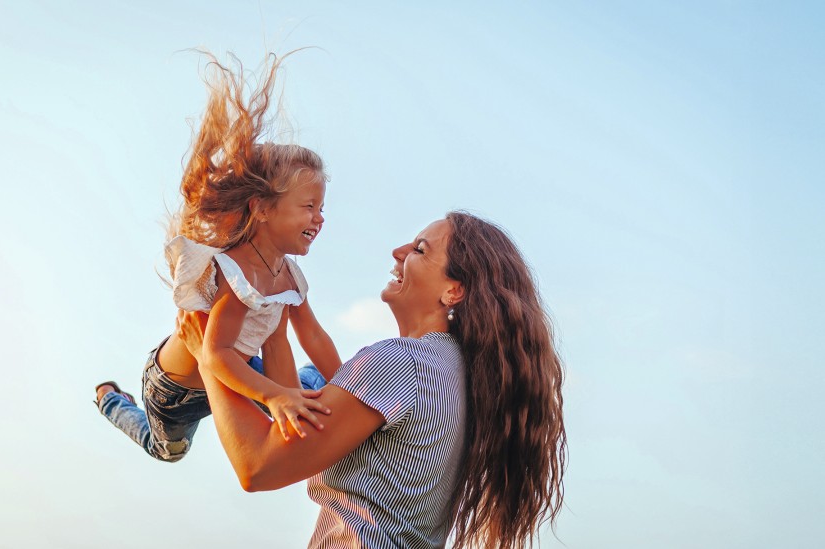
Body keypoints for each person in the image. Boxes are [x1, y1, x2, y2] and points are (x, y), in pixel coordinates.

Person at [177, 212, 567, 549]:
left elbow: (258, 467)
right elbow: (294, 431)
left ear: (454, 291)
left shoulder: (399, 364)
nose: (398, 252)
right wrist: (277, 332)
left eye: (419, 250)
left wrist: (207, 355)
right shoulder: (457, 373)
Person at [94, 52, 342, 463]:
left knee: (310, 395)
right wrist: (274, 395)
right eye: (309, 206)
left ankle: (318, 388)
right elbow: (217, 354)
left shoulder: (289, 277)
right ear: (262, 208)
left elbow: (307, 337)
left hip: (241, 376)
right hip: (179, 391)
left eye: (321, 208)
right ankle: (111, 402)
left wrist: (347, 385)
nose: (319, 218)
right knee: (168, 452)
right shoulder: (235, 270)